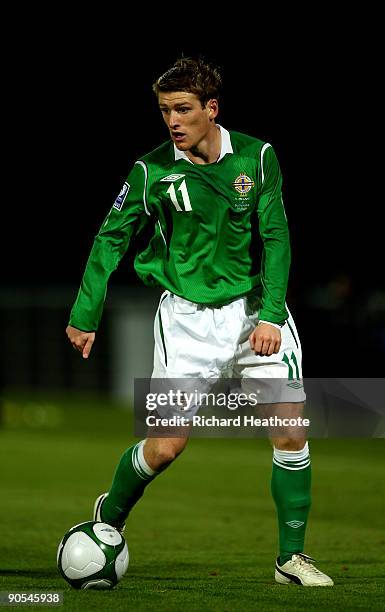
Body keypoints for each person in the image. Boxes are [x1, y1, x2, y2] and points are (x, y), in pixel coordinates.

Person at [66, 57, 333, 587]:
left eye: (183, 109)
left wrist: (273, 315)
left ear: (212, 109)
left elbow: (276, 237)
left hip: (254, 312)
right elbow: (110, 236)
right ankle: (109, 520)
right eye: (165, 110)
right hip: (186, 319)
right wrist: (85, 312)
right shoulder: (151, 170)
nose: (173, 121)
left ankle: (290, 558)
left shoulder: (257, 158)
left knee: (289, 430)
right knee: (166, 446)